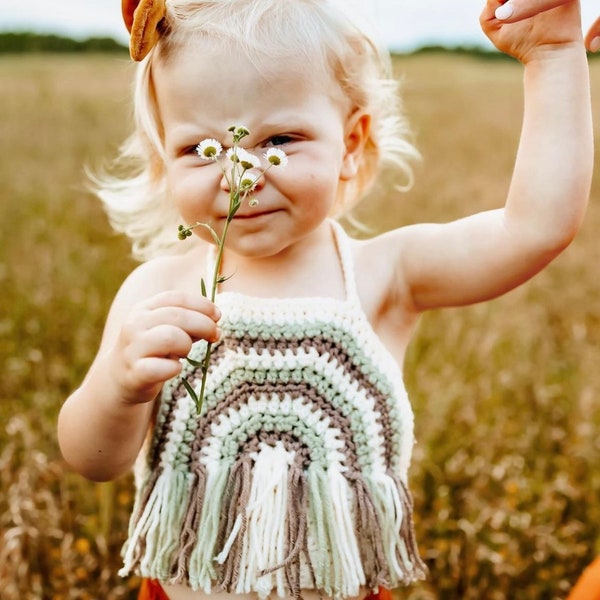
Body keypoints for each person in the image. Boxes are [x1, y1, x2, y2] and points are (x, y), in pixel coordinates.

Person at [57, 0, 593, 599]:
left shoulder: (386, 274)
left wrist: (552, 55)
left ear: (351, 141)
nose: (241, 176)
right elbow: (91, 459)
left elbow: (535, 228)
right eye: (202, 150)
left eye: (280, 139)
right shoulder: (157, 291)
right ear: (163, 161)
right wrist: (118, 388)